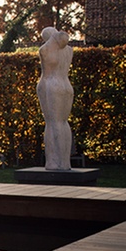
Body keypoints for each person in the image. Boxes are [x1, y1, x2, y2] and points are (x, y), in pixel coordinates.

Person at [37, 27, 74, 170]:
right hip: (66, 85)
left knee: (52, 123)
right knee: (63, 123)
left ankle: (53, 162)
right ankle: (65, 162)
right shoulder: (69, 50)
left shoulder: (45, 49)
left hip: (51, 85)